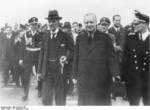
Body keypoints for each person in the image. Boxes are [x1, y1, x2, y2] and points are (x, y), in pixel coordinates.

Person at [72, 13, 120, 105]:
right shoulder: (80, 38)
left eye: (91, 22)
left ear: (96, 22)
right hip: (84, 79)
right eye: (86, 22)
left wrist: (115, 73)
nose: (89, 24)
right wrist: (74, 75)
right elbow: (76, 57)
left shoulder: (105, 38)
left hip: (101, 80)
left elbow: (111, 57)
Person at [37, 10, 74, 105]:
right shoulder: (45, 36)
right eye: (49, 21)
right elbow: (42, 54)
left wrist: (66, 58)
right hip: (47, 71)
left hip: (60, 72)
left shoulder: (65, 36)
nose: (51, 23)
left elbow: (73, 51)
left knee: (60, 99)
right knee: (45, 98)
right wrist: (39, 71)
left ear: (58, 22)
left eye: (53, 21)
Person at [121, 10, 150, 105]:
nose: (134, 25)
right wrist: (123, 77)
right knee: (133, 104)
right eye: (133, 23)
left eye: (136, 23)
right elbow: (125, 59)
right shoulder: (130, 38)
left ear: (145, 24)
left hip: (148, 81)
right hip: (133, 80)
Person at [20, 17, 42, 101]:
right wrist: (21, 58)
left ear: (37, 25)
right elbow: (22, 47)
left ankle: (40, 90)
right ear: (30, 25)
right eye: (32, 24)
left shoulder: (41, 34)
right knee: (26, 76)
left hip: (38, 55)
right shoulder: (25, 34)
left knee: (39, 73)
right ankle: (25, 93)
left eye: (35, 24)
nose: (34, 26)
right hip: (28, 56)